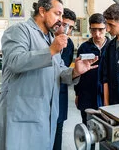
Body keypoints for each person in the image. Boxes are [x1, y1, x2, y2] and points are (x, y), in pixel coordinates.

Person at [0, 0, 98, 150]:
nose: (60, 19)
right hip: (22, 115)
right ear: (42, 11)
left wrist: (75, 72)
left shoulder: (50, 38)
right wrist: (51, 50)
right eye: (57, 13)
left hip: (46, 114)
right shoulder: (19, 31)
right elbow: (14, 62)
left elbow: (58, 71)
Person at [74, 13, 111, 125]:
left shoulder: (112, 47)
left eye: (100, 30)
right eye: (93, 30)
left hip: (106, 97)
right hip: (86, 95)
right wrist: (77, 94)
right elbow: (77, 73)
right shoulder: (84, 48)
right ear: (89, 29)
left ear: (106, 28)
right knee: (88, 130)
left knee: (106, 132)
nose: (97, 34)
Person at [53, 8, 76, 150]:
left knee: (58, 128)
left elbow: (63, 71)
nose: (67, 30)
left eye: (71, 27)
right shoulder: (46, 40)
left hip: (60, 91)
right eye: (65, 25)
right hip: (42, 95)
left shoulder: (69, 44)